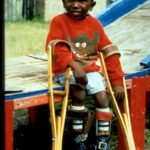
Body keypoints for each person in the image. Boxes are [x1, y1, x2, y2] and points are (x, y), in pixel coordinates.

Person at [46, 0, 124, 149]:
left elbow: (109, 51)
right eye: (70, 0)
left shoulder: (94, 24)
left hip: (89, 70)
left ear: (92, 5)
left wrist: (117, 81)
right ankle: (77, 137)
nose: (75, 4)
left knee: (102, 97)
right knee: (78, 91)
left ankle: (102, 140)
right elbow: (57, 47)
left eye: (81, 1)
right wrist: (74, 64)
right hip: (66, 69)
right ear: (63, 2)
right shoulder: (59, 21)